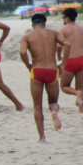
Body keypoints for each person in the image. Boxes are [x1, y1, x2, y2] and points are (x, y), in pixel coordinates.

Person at [19, 14, 66, 142]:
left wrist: (28, 65)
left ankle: (42, 137)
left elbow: (22, 52)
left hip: (37, 70)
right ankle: (54, 112)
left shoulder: (27, 37)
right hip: (51, 70)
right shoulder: (54, 33)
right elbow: (67, 44)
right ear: (45, 24)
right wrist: (62, 64)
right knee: (53, 102)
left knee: (37, 107)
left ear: (32, 24)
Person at [58, 8, 83, 112]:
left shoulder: (62, 30)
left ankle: (76, 94)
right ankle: (81, 110)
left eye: (63, 17)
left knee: (64, 86)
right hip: (81, 60)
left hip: (70, 60)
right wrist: (82, 49)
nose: (63, 19)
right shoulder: (82, 30)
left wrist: (59, 56)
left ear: (67, 18)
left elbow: (58, 46)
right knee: (80, 87)